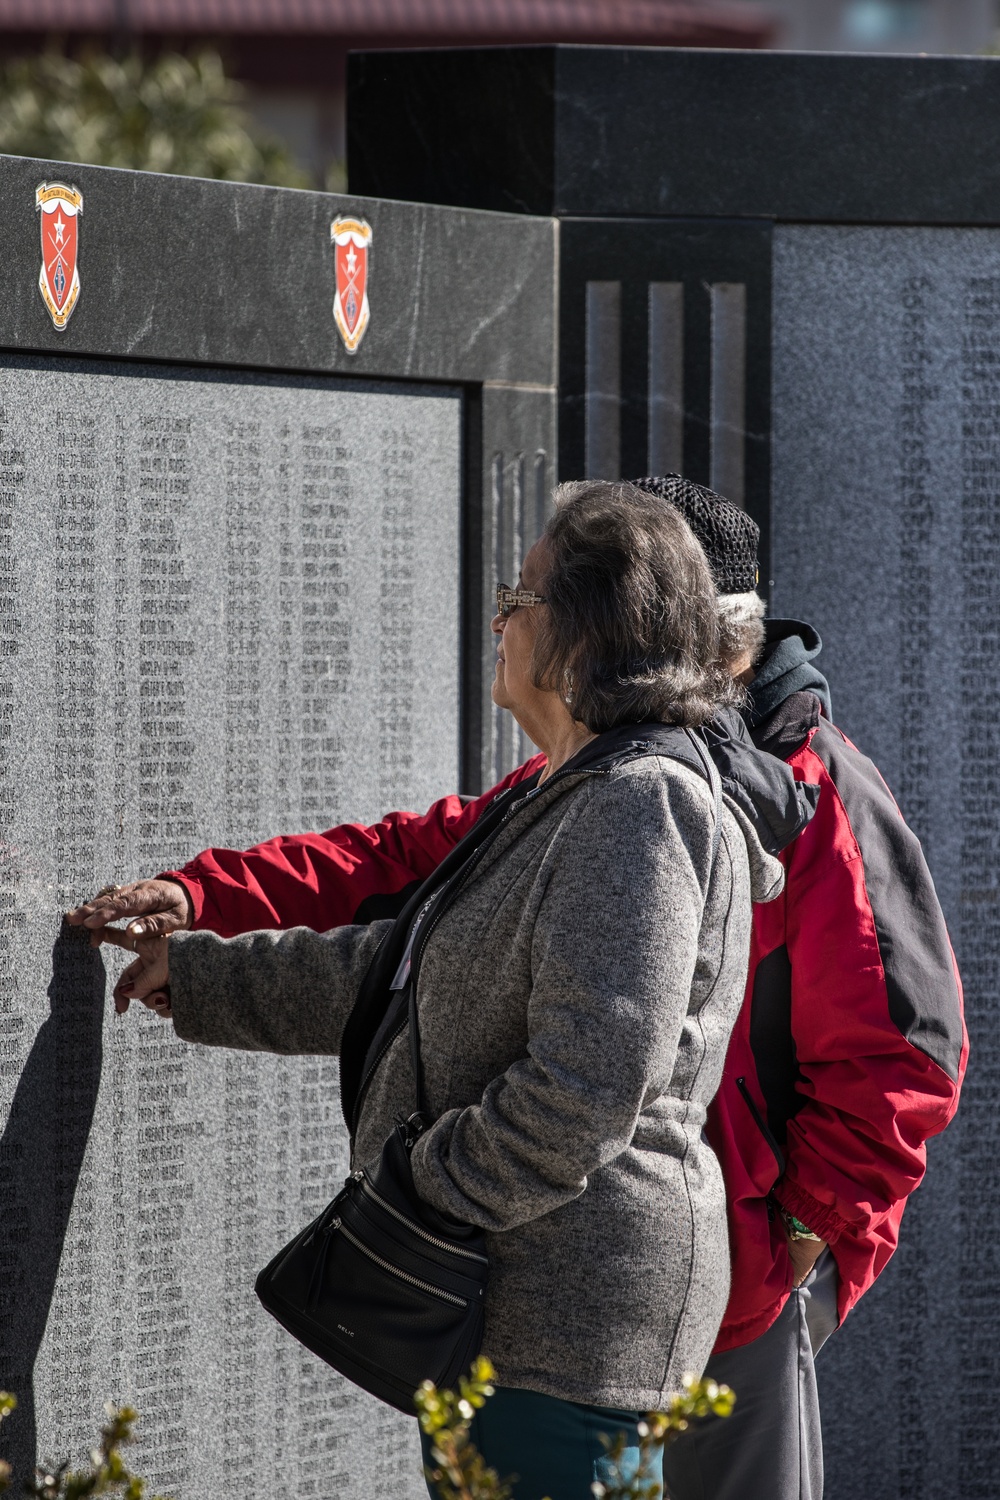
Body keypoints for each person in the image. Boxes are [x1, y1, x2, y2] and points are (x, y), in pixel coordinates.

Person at [70, 475, 966, 1500]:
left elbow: (900, 1057)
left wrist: (788, 1246)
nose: (499, 617)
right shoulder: (587, 779)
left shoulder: (695, 799)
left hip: (698, 1286)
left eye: (527, 595)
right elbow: (417, 902)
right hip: (576, 1278)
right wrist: (208, 912)